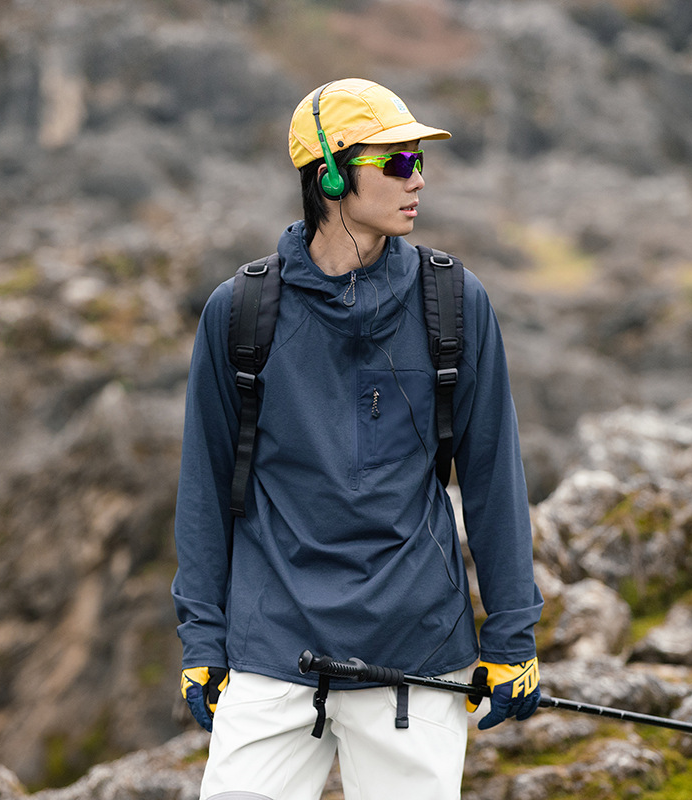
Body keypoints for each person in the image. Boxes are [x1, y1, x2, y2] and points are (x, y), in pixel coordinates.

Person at [172, 78, 543, 800]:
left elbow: (495, 476)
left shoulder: (455, 303)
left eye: (419, 160)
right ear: (332, 174)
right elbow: (204, 488)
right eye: (399, 161)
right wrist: (202, 640)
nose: (419, 179)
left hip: (419, 653)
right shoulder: (239, 313)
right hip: (271, 651)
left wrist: (513, 636)